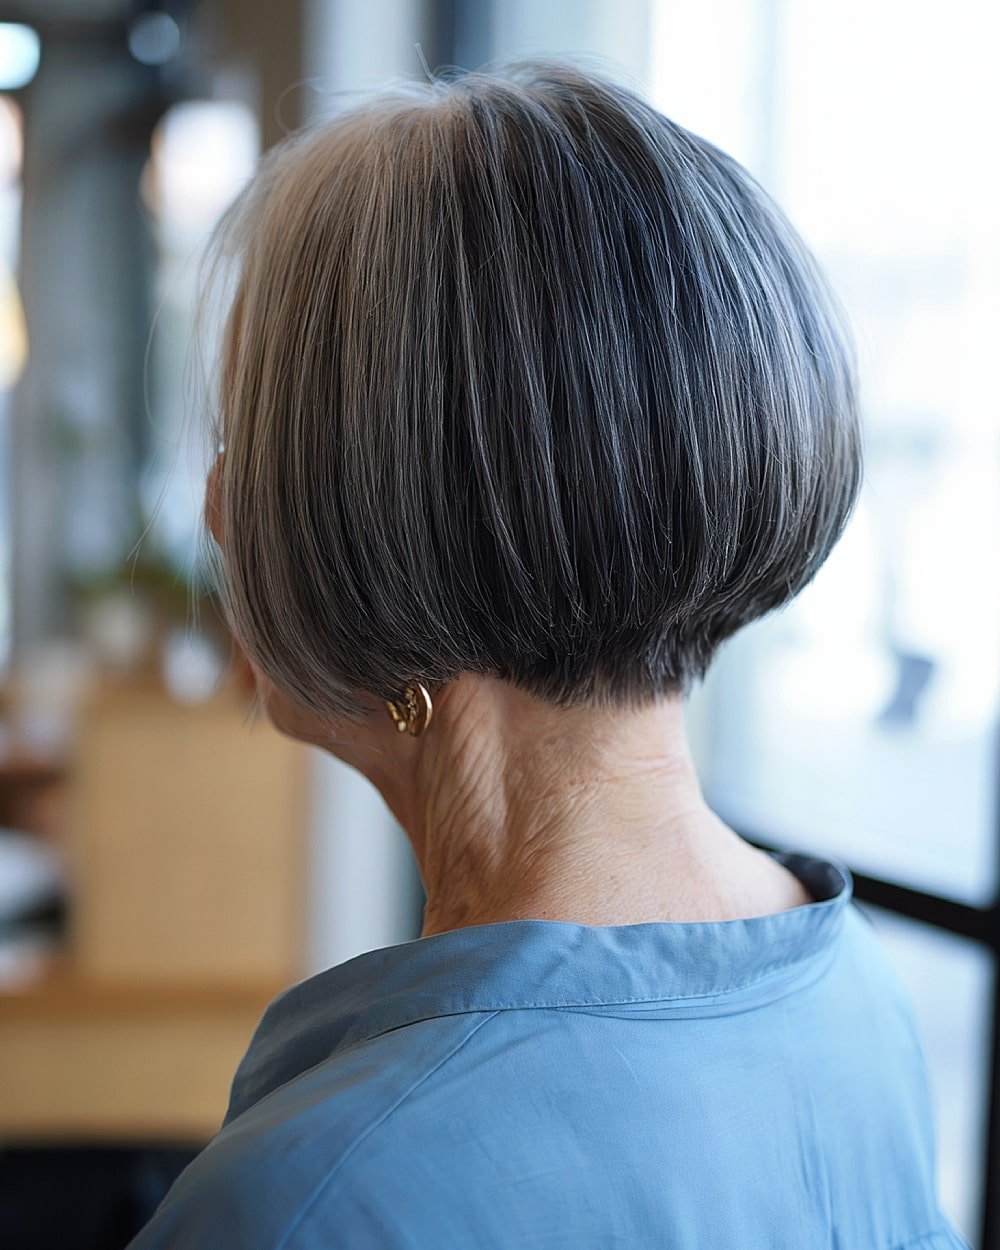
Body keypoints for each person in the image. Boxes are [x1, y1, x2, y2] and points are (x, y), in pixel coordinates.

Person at [128, 61, 967, 1249]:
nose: (219, 505)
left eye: (247, 441)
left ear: (378, 521)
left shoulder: (305, 1201)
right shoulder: (856, 998)